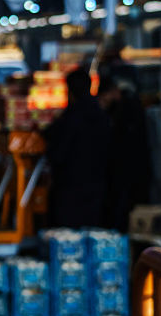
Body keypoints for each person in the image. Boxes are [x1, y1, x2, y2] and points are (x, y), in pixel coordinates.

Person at [42, 69, 111, 229]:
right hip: (96, 186)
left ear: (70, 91)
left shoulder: (71, 118)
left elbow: (58, 153)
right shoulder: (102, 116)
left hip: (70, 188)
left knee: (68, 237)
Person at [98, 77, 152, 232]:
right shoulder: (129, 106)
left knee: (122, 212)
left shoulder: (126, 108)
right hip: (131, 170)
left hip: (127, 171)